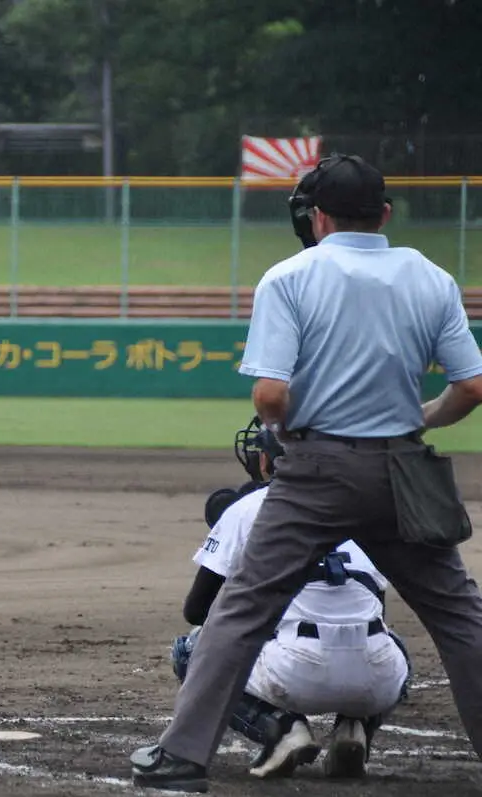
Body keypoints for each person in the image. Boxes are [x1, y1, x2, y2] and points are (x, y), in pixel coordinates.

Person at [130, 153, 482, 793]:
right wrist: (418, 419)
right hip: (404, 468)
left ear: (317, 216)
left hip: (316, 468)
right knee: (460, 616)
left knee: (240, 612)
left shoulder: (290, 276)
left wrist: (292, 432)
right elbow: (472, 386)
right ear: (385, 214)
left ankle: (182, 758)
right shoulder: (430, 276)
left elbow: (269, 396)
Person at [173, 415, 410, 781]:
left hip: (294, 668)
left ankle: (280, 728)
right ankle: (356, 726)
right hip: (377, 675)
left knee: (191, 651)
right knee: (389, 639)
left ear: (268, 460)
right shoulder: (365, 506)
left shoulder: (248, 508)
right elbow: (377, 604)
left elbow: (197, 611)